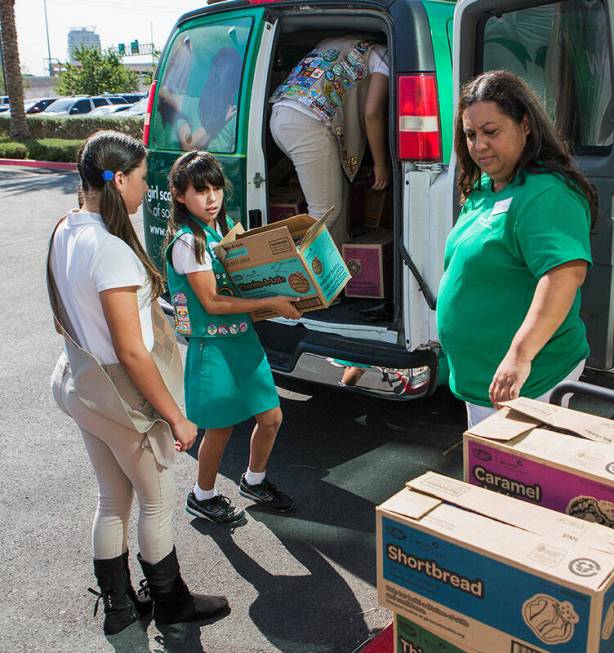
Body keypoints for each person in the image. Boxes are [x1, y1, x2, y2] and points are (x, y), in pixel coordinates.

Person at [48, 131, 228, 635]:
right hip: (120, 401)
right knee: (155, 501)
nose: (145, 188)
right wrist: (175, 415)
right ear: (119, 179)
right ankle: (170, 603)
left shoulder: (65, 228)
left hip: (82, 387)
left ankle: (120, 607)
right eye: (144, 179)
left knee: (112, 499)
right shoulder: (111, 251)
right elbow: (130, 349)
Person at [436, 70, 597, 428]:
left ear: (525, 125)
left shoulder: (545, 192)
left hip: (528, 380)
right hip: (484, 383)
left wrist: (519, 356)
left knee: (523, 481)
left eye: (491, 132)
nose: (479, 145)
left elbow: (563, 275)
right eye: (470, 134)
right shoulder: (484, 190)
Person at [163, 151, 301, 524]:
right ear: (179, 195)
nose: (211, 198)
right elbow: (209, 300)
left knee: (270, 417)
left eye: (216, 189)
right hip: (214, 347)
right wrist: (271, 299)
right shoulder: (187, 242)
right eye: (200, 191)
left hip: (242, 339)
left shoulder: (214, 233)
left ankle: (254, 481)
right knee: (220, 428)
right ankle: (202, 495)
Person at [268, 36, 391, 247]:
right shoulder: (383, 54)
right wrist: (380, 164)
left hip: (281, 117)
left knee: (336, 196)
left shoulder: (332, 43)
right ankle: (291, 268)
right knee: (325, 213)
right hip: (308, 124)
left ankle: (337, 271)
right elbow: (372, 114)